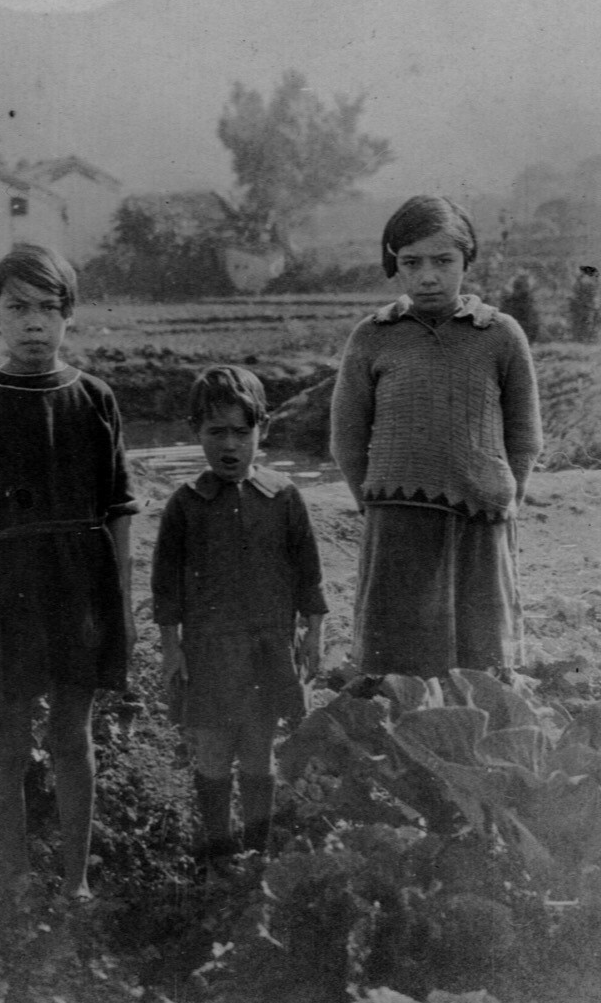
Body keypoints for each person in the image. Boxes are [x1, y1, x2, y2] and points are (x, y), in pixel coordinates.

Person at [0, 244, 138, 899]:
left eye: (49, 308)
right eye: (18, 307)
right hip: (6, 589)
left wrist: (121, 605)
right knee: (9, 734)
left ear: (68, 316)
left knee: (72, 732)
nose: (34, 323)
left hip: (80, 586)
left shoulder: (95, 399)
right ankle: (15, 878)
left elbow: (120, 511)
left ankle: (76, 881)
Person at [330, 195, 542, 679]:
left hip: (480, 517)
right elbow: (346, 437)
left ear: (466, 261)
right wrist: (376, 501)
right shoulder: (374, 336)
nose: (428, 276)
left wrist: (505, 496)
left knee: (481, 659)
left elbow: (525, 435)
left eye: (443, 261)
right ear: (395, 265)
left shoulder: (501, 335)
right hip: (398, 519)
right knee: (399, 663)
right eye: (411, 262)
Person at [152, 365, 328, 870]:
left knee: (257, 751)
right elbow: (165, 587)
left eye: (241, 432)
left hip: (269, 648)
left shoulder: (285, 498)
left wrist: (312, 637)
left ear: (263, 431)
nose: (230, 446)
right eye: (216, 432)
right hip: (210, 650)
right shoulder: (185, 505)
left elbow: (309, 576)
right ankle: (216, 855)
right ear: (196, 434)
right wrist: (171, 647)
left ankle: (257, 855)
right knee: (212, 751)